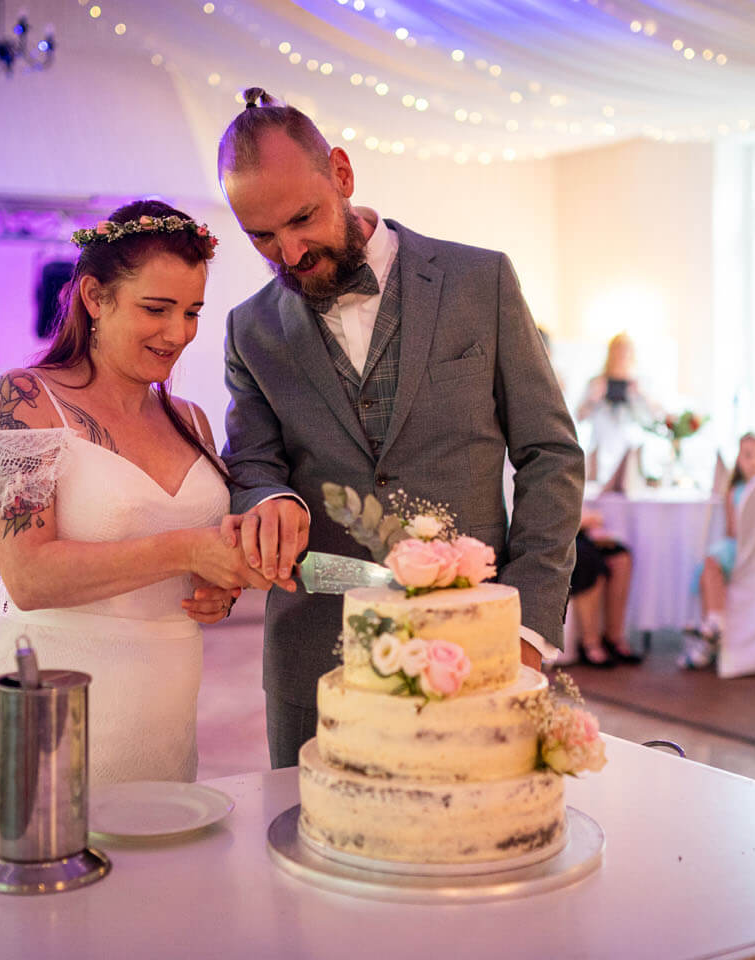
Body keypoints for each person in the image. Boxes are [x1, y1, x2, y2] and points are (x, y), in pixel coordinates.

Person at [215, 88, 584, 769]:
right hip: (313, 656)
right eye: (262, 237)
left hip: (476, 641)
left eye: (303, 218)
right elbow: (253, 463)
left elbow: (550, 454)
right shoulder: (250, 329)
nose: (290, 252)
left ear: (343, 175)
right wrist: (266, 498)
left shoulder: (482, 280)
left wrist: (529, 621)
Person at [0, 200, 270, 816]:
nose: (178, 333)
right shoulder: (23, 400)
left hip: (164, 711)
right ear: (93, 296)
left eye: (192, 311)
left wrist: (215, 587)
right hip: (50, 712)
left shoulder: (189, 419)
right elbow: (30, 578)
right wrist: (188, 550)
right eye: (156, 308)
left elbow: (183, 562)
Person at [682, 433, 755, 670]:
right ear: (738, 459)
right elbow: (732, 529)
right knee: (708, 568)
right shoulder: (734, 492)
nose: (753, 462)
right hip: (737, 544)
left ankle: (711, 632)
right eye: (747, 456)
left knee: (710, 564)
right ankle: (712, 629)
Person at [575, 333, 658, 483]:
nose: (621, 356)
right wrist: (593, 399)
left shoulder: (641, 384)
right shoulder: (595, 382)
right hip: (600, 453)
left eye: (625, 352)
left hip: (631, 452)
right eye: (617, 352)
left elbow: (655, 418)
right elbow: (578, 417)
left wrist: (641, 395)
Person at [570, 507, 635, 668]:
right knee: (589, 560)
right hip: (560, 533)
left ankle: (613, 636)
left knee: (621, 557)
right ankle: (590, 642)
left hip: (579, 530)